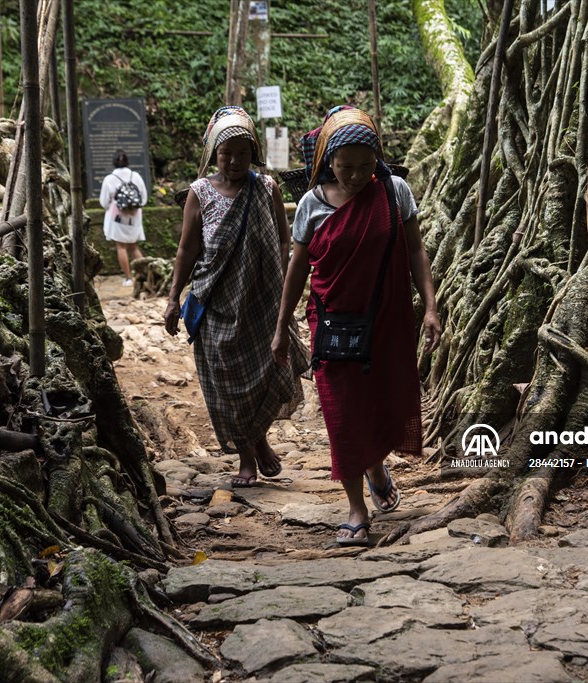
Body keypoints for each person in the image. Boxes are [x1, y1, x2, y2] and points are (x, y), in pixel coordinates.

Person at [271, 106, 442, 546]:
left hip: (386, 319)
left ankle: (375, 465)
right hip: (332, 322)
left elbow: (416, 250)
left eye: (366, 166)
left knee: (382, 401)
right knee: (342, 412)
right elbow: (297, 269)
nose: (355, 176)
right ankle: (356, 509)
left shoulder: (394, 192)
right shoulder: (311, 204)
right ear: (327, 159)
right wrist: (281, 326)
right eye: (345, 166)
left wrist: (430, 307)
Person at [164, 106, 307, 487]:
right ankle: (249, 453)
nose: (233, 160)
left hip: (261, 302)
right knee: (226, 383)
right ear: (214, 153)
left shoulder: (266, 188)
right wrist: (173, 298)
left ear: (253, 153)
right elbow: (187, 250)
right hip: (216, 304)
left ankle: (257, 440)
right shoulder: (199, 193)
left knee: (266, 373)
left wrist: (281, 285)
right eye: (226, 153)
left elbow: (283, 239)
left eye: (242, 153)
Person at [99, 149, 148, 286]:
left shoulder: (109, 179)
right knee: (133, 246)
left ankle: (128, 278)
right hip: (135, 217)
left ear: (114, 162)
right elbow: (143, 199)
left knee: (121, 247)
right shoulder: (136, 176)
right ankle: (144, 275)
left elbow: (104, 202)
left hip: (117, 218)